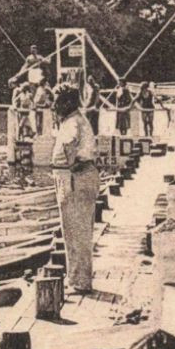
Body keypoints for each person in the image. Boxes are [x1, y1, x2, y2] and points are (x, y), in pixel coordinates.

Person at [50, 82, 99, 293]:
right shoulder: (77, 120)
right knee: (78, 231)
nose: (54, 106)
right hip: (79, 177)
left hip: (74, 180)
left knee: (75, 231)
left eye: (57, 101)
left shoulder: (72, 122)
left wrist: (69, 165)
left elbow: (70, 144)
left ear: (68, 102)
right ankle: (78, 279)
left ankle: (79, 282)